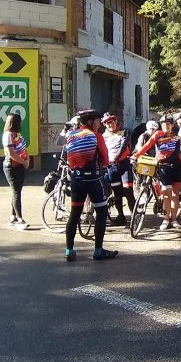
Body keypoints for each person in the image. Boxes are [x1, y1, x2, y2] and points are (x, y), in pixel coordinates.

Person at [63, 109, 118, 261]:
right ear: (90, 122)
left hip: (76, 180)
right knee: (101, 212)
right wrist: (103, 164)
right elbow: (105, 159)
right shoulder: (96, 136)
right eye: (98, 121)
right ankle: (98, 251)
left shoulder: (71, 136)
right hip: (93, 180)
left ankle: (69, 250)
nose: (99, 124)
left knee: (74, 214)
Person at [133, 115, 181, 230]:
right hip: (164, 168)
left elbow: (176, 154)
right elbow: (147, 146)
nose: (166, 126)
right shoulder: (157, 135)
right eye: (164, 124)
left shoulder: (176, 137)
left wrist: (162, 158)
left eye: (169, 124)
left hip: (176, 168)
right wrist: (136, 155)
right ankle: (166, 219)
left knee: (175, 195)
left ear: (172, 125)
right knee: (167, 194)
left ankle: (174, 219)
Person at [102, 113, 135, 226]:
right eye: (107, 123)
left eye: (111, 122)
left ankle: (134, 216)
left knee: (128, 191)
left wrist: (116, 157)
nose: (109, 124)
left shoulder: (125, 132)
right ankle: (121, 216)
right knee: (117, 193)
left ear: (116, 121)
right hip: (111, 167)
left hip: (124, 165)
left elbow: (124, 145)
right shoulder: (103, 136)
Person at [2, 113, 30, 229]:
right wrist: (22, 161)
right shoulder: (7, 135)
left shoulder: (18, 135)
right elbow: (11, 153)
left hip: (20, 165)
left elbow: (24, 149)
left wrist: (27, 160)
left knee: (17, 191)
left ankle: (12, 217)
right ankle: (20, 219)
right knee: (16, 192)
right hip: (11, 166)